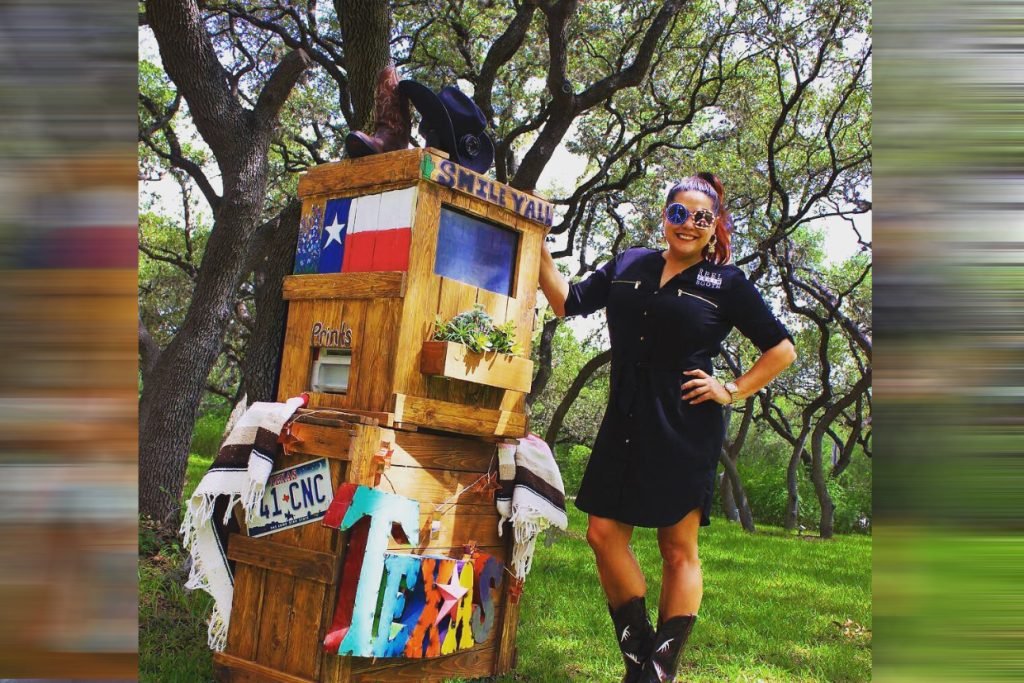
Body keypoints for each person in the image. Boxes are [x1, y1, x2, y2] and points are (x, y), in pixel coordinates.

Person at [537, 173, 797, 682]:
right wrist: (539, 250)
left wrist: (732, 389)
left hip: (683, 424)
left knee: (677, 549)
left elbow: (782, 349)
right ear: (665, 215)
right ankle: (641, 658)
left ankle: (655, 673)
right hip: (624, 416)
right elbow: (567, 302)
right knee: (602, 532)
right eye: (679, 213)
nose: (689, 225)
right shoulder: (630, 263)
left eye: (702, 217)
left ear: (714, 225)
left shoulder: (726, 284)